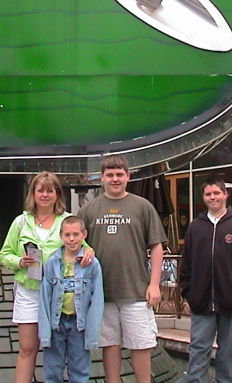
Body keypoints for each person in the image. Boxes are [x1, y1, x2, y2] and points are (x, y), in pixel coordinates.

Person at [78, 155, 166, 383]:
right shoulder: (88, 210)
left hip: (136, 291)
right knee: (109, 345)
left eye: (119, 174)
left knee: (141, 344)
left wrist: (154, 284)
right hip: (101, 293)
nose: (115, 179)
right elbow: (75, 245)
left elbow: (156, 246)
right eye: (110, 175)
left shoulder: (143, 206)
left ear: (128, 176)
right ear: (102, 178)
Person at [0, 171, 95, 383]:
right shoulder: (20, 222)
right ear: (32, 193)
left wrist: (89, 251)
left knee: (56, 350)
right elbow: (4, 255)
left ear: (57, 194)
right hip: (29, 292)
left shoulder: (66, 220)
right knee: (27, 348)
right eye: (40, 190)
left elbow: (84, 247)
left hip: (57, 295)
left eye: (50, 190)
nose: (45, 195)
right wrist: (19, 261)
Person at [178, 177, 232, 383]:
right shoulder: (196, 227)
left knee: (230, 350)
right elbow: (185, 263)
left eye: (216, 193)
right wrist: (189, 292)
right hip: (201, 301)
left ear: (225, 194)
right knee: (198, 347)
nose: (212, 197)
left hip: (231, 302)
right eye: (208, 194)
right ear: (203, 197)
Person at [38, 216, 104, 383]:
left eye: (76, 234)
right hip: (57, 323)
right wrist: (45, 332)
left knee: (79, 371)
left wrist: (92, 332)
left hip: (79, 325)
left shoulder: (92, 264)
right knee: (53, 371)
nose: (72, 239)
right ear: (61, 236)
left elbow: (97, 299)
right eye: (67, 235)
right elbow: (44, 297)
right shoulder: (52, 263)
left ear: (84, 235)